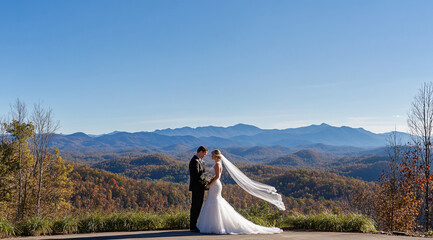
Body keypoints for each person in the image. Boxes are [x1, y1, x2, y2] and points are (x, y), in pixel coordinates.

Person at [197, 149, 284, 234]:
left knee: (214, 202)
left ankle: (216, 226)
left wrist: (209, 184)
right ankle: (214, 225)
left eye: (212, 155)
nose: (211, 156)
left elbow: (217, 177)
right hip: (215, 185)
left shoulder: (217, 164)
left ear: (216, 156)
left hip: (215, 185)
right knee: (214, 202)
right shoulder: (218, 163)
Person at [189, 146, 208, 232]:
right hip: (196, 187)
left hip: (200, 187)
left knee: (198, 206)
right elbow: (196, 176)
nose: (205, 156)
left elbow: (202, 173)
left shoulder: (200, 161)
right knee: (195, 206)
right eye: (204, 154)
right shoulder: (194, 161)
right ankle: (193, 226)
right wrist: (206, 180)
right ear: (200, 152)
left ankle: (195, 225)